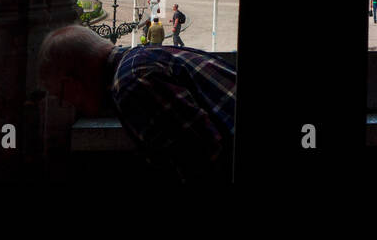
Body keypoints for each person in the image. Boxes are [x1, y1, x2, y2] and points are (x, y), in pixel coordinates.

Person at [37, 27, 234, 181]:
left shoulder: (132, 82)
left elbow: (201, 162)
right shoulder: (144, 58)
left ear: (71, 84)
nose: (68, 104)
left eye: (61, 96)